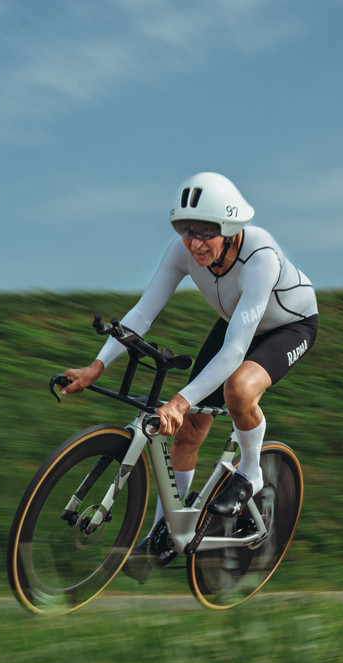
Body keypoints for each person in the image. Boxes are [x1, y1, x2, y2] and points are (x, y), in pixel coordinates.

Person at [60, 172, 319, 580]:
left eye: (205, 232)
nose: (195, 243)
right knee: (186, 432)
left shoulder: (261, 256)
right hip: (238, 322)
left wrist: (179, 402)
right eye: (186, 231)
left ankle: (250, 474)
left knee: (239, 389)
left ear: (230, 229)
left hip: (290, 326)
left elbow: (234, 353)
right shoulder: (181, 252)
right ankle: (164, 533)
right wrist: (96, 367)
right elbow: (143, 313)